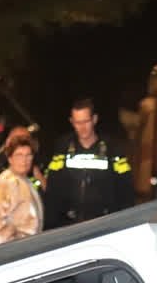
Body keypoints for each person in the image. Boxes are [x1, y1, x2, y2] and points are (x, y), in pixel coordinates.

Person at [44, 98, 135, 228]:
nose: (82, 127)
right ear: (71, 122)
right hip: (68, 224)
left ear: (94, 119)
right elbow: (53, 187)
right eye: (77, 122)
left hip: (104, 224)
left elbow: (126, 189)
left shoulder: (113, 148)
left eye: (86, 121)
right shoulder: (63, 148)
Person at [0, 126, 45, 233]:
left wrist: (39, 175)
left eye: (25, 139)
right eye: (17, 139)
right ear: (7, 143)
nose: (21, 143)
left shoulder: (36, 165)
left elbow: (49, 196)